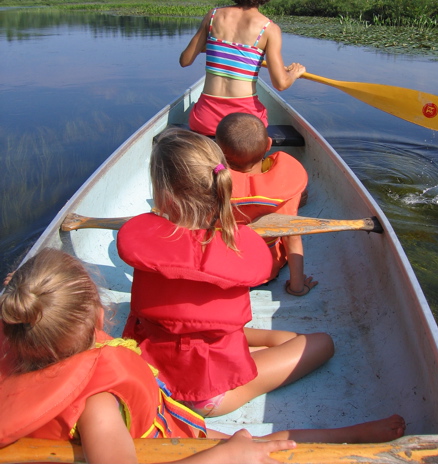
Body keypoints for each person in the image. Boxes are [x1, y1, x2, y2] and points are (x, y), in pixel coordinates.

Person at [117, 128, 405, 444]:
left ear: (162, 195)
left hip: (151, 377)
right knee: (321, 343)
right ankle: (348, 433)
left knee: (270, 338)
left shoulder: (145, 245)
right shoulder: (239, 249)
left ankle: (264, 342)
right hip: (207, 394)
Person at [0, 248, 298, 463]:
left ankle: (345, 434)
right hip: (166, 448)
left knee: (257, 443)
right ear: (100, 314)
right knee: (257, 447)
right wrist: (225, 457)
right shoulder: (99, 405)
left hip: (173, 424)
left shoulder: (24, 351)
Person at [179, 0, 305, 136]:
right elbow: (281, 83)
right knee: (257, 126)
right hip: (244, 124)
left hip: (204, 119)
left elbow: (185, 60)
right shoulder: (269, 29)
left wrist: (206, 48)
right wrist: (293, 73)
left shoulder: (213, 16)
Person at [216, 112, 316, 296]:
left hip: (219, 269)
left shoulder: (210, 183)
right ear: (269, 144)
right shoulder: (284, 187)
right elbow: (292, 238)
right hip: (264, 270)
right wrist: (298, 287)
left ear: (219, 152)